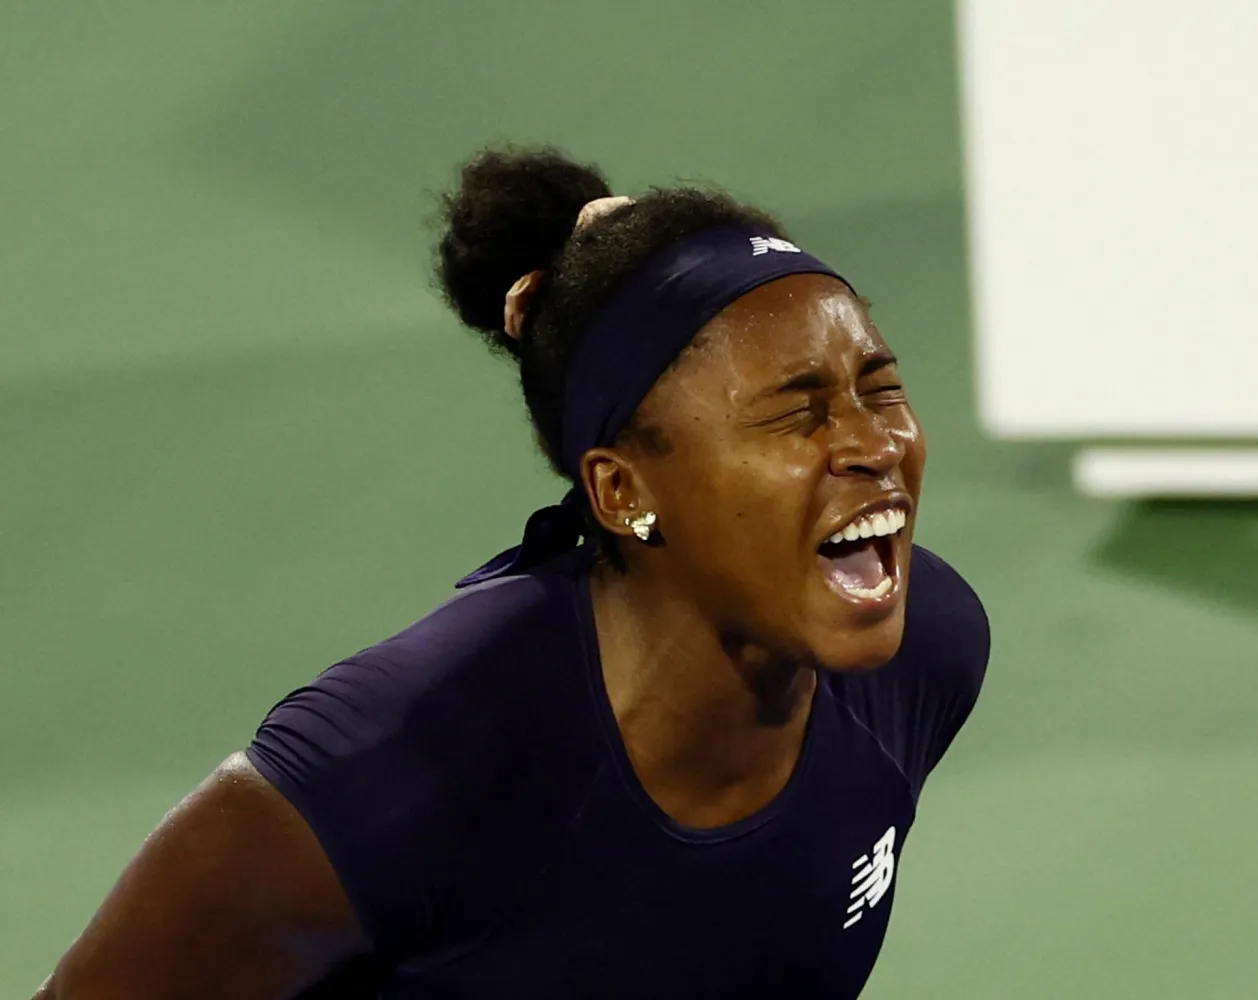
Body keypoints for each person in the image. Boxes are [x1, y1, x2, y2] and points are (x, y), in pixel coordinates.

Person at [35, 145, 990, 1000]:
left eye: (881, 389)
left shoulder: (927, 652)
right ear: (621, 492)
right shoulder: (399, 762)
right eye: (796, 413)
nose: (874, 445)